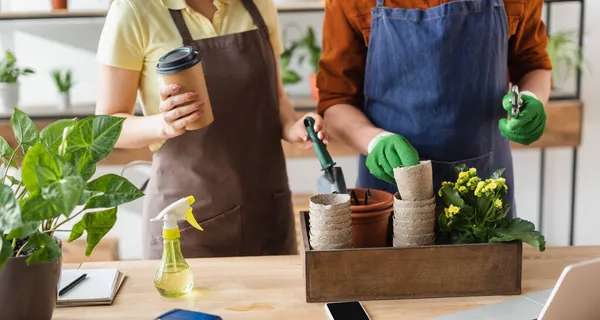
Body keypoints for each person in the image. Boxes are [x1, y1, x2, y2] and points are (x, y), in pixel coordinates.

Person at [95, 0, 327, 259]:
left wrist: (293, 127)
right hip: (186, 220)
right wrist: (164, 124)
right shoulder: (134, 9)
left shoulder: (258, 4)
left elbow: (277, 97)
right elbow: (107, 127)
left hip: (266, 213)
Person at [317, 0, 552, 216]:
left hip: (485, 187)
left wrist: (532, 98)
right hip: (391, 190)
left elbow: (534, 65)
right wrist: (375, 141)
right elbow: (336, 101)